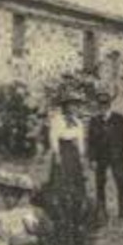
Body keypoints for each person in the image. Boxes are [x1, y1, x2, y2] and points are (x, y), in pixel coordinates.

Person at [46, 90, 92, 229]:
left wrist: (82, 155)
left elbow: (80, 139)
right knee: (61, 181)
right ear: (64, 106)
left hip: (74, 153)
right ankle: (61, 212)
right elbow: (53, 137)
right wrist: (57, 154)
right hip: (63, 150)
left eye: (74, 105)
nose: (72, 107)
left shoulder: (77, 121)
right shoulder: (57, 120)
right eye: (69, 105)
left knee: (76, 180)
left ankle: (77, 213)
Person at [87, 91, 123, 222]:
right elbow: (91, 142)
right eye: (100, 104)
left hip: (117, 156)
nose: (103, 107)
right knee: (100, 184)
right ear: (97, 105)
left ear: (109, 104)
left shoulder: (118, 118)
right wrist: (92, 159)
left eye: (105, 104)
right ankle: (102, 213)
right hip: (101, 157)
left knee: (120, 182)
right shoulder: (94, 121)